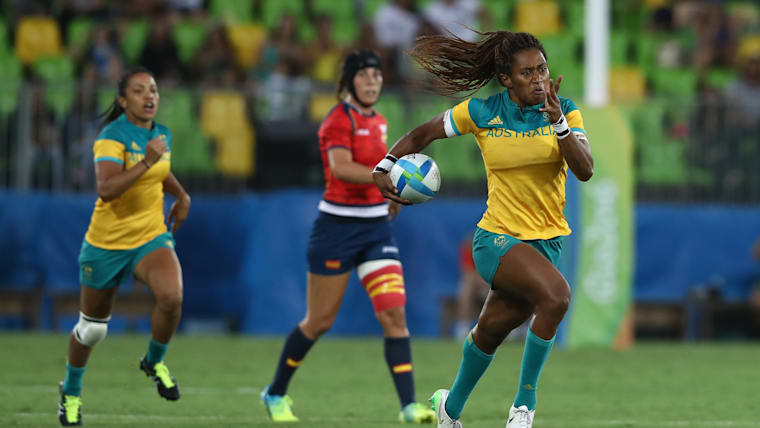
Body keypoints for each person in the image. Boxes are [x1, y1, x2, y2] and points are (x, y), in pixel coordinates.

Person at [372, 30, 594, 428]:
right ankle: (523, 409)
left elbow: (585, 170)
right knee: (557, 297)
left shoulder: (566, 111)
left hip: (547, 242)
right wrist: (385, 165)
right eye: (527, 73)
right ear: (506, 79)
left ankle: (449, 409)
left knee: (489, 333)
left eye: (542, 69)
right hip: (496, 239)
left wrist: (559, 123)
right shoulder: (481, 112)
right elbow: (423, 134)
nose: (538, 79)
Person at [260, 49, 436, 424]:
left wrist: (393, 196)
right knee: (318, 322)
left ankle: (408, 406)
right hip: (336, 229)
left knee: (394, 315)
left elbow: (381, 174)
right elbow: (340, 169)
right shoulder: (337, 120)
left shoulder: (381, 121)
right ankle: (275, 393)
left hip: (376, 229)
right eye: (364, 75)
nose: (372, 81)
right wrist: (383, 179)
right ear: (349, 81)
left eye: (377, 75)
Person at [57, 67, 191, 426]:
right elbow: (107, 188)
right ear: (122, 100)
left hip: (149, 236)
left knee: (172, 297)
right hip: (106, 244)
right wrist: (146, 159)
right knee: (92, 329)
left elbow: (159, 172)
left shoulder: (161, 134)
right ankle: (70, 392)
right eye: (139, 91)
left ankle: (154, 361)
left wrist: (180, 194)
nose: (150, 96)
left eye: (154, 89)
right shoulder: (111, 136)